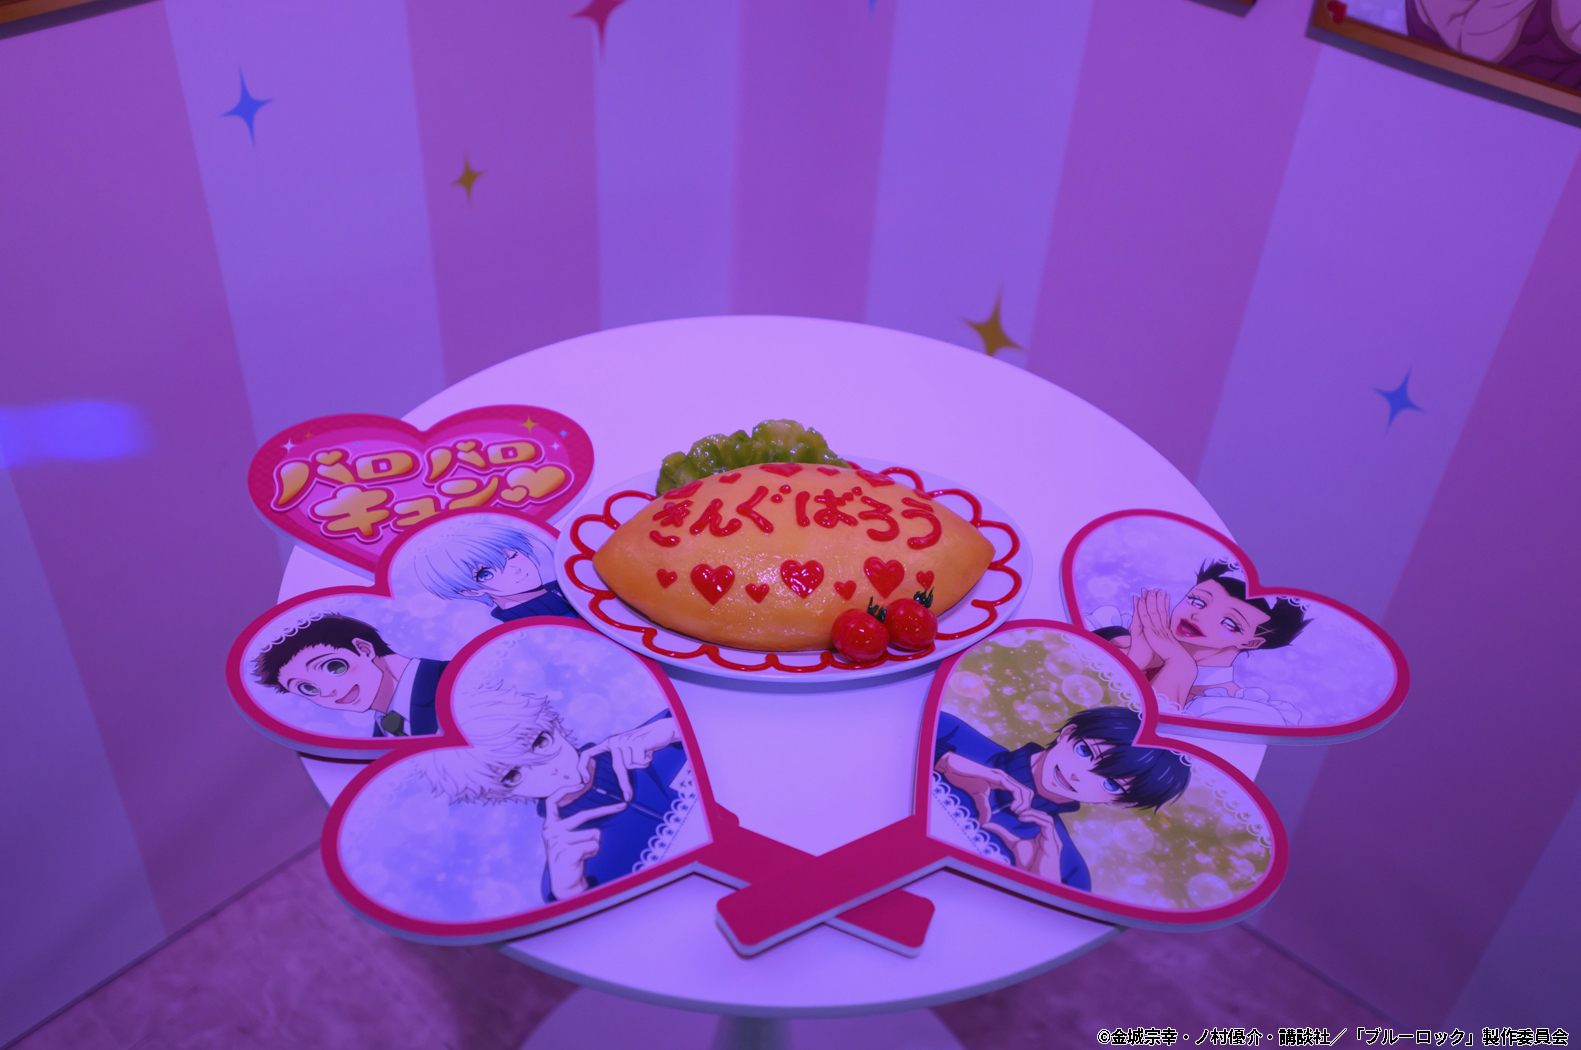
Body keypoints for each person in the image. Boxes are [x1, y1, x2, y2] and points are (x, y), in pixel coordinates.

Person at [410, 682, 694, 903]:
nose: (550, 770)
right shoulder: (568, 862)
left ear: (555, 725)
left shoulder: (655, 736)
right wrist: (571, 891)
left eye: (540, 742)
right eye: (513, 776)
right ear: (498, 794)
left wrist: (674, 729)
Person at [932, 706, 1189, 892]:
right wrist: (946, 760)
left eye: (1110, 783)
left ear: (1122, 802)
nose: (1077, 775)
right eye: (1084, 751)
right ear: (1068, 732)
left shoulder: (1067, 870)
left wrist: (1037, 881)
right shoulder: (948, 732)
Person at [1093, 561, 1309, 725]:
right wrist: (1134, 660)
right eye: (1197, 602)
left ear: (1252, 642)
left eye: (1229, 623)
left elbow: (1142, 740)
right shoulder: (1121, 634)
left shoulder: (1240, 710)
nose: (1197, 617)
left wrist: (1179, 664)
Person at [252, 613, 446, 738]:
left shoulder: (451, 679)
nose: (326, 692)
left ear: (364, 649)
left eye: (334, 667)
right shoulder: (382, 732)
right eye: (308, 688)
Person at [408, 516, 575, 622]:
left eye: (512, 555)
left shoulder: (567, 583)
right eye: (486, 574)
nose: (514, 568)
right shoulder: (515, 632)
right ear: (470, 591)